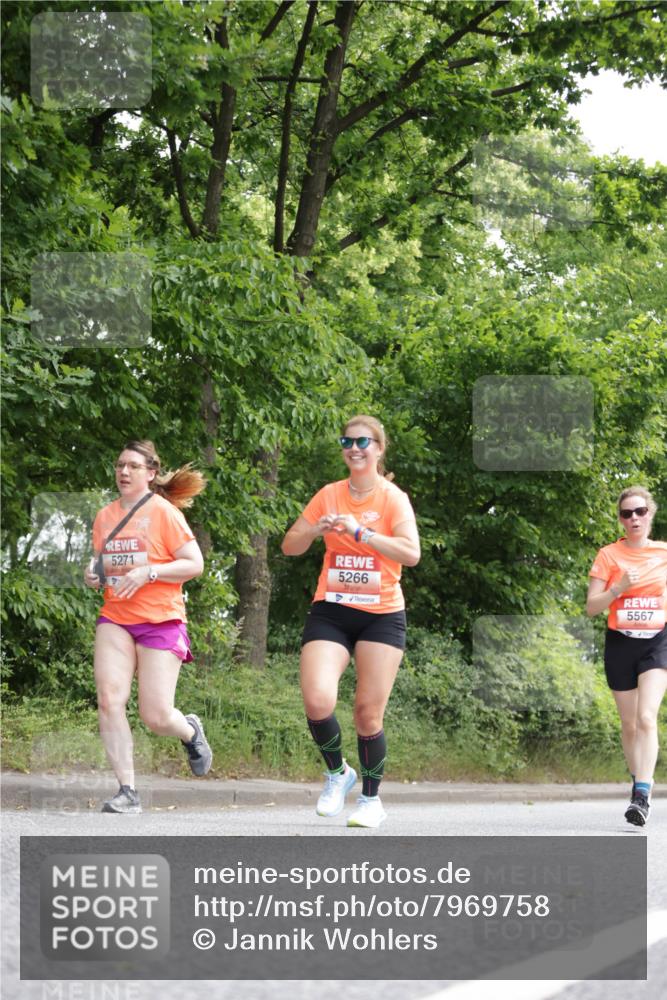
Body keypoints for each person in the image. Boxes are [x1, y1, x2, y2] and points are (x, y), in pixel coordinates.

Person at [281, 415, 420, 828]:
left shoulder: (393, 498)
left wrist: (361, 533)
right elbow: (290, 546)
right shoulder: (328, 494)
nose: (354, 448)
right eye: (347, 440)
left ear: (379, 448)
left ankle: (371, 800)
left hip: (381, 615)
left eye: (363, 441)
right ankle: (337, 773)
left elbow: (410, 554)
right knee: (317, 698)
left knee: (366, 713)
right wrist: (314, 530)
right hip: (333, 609)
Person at [84, 440, 212, 814]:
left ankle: (189, 730)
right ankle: (127, 791)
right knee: (109, 699)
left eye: (133, 466)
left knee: (155, 716)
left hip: (160, 619)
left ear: (151, 473)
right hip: (117, 617)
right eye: (120, 464)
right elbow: (102, 564)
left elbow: (194, 563)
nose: (124, 471)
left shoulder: (164, 513)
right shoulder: (105, 516)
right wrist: (93, 574)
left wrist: (150, 571)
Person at [587, 486, 667, 826]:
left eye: (639, 512)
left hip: (657, 642)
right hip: (620, 642)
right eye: (626, 513)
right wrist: (618, 588)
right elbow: (592, 607)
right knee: (630, 724)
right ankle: (638, 778)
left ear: (650, 513)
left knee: (647, 718)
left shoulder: (664, 552)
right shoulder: (608, 555)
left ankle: (642, 795)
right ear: (621, 519)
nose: (633, 518)